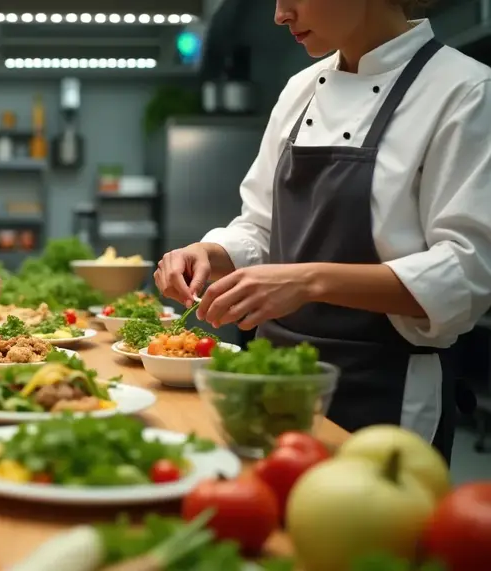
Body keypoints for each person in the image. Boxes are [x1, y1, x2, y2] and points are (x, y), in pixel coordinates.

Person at [153, 0, 491, 462]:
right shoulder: (300, 90)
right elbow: (260, 226)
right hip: (273, 381)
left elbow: (466, 273)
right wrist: (211, 253)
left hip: (380, 396)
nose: (280, 14)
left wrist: (310, 281)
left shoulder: (464, 90)